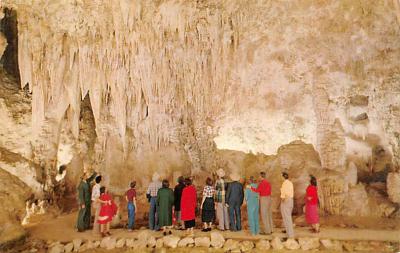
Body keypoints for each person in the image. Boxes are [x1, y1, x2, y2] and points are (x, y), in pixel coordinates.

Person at [280, 172, 294, 238]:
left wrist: (282, 201)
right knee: (288, 217)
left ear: (283, 177)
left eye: (281, 176)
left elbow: (283, 194)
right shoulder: (290, 183)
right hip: (290, 200)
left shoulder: (284, 183)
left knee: (287, 218)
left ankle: (290, 235)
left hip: (286, 200)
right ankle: (288, 231)